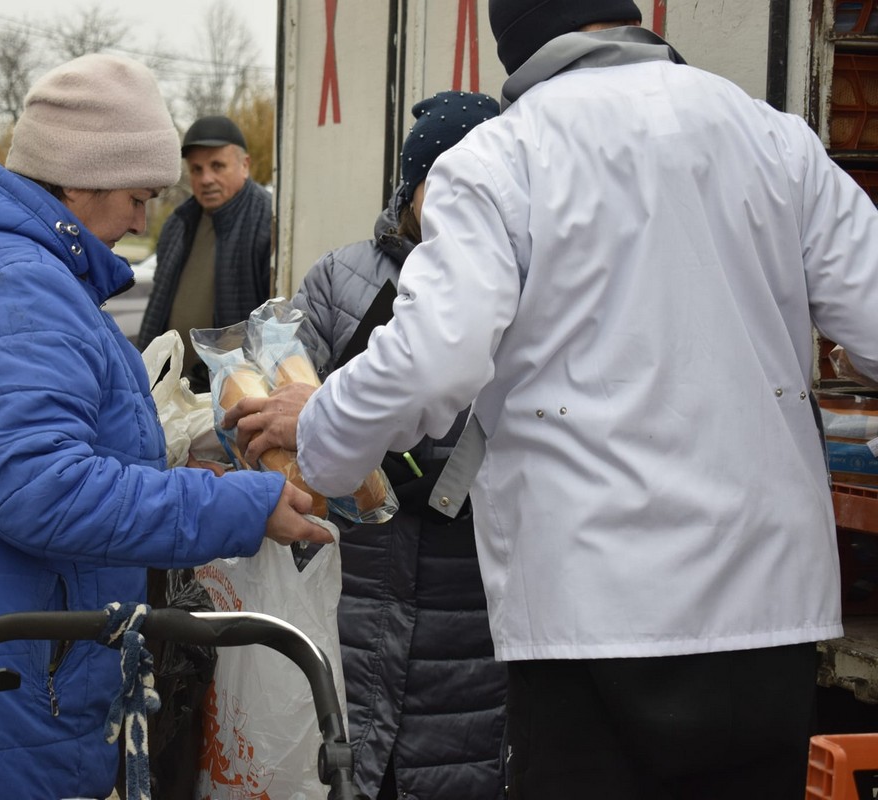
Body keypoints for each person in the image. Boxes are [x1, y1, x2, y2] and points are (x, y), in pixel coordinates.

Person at [224, 0, 878, 797]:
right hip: (770, 606)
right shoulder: (775, 139)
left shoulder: (503, 156)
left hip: (592, 609)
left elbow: (434, 358)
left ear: (516, 44)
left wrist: (322, 429)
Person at [0, 54, 331, 800]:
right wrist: (234, 506)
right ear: (82, 176)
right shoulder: (11, 285)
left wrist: (177, 475)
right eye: (140, 195)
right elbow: (40, 490)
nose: (145, 218)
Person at [293, 90, 506, 799]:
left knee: (459, 760)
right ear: (409, 185)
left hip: (469, 594)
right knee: (348, 756)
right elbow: (290, 397)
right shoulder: (338, 278)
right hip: (358, 577)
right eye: (438, 182)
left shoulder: (520, 284)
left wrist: (435, 473)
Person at [136, 114, 272, 392]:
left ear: (244, 166)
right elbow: (157, 308)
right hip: (168, 389)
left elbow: (274, 322)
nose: (206, 178)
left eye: (217, 166)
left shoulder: (267, 219)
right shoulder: (179, 223)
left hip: (231, 394)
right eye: (196, 169)